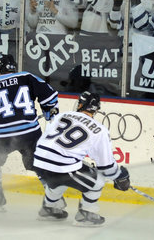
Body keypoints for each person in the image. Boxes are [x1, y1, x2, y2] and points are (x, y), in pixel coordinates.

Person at [0, 54, 59, 210]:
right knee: (39, 164)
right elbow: (50, 96)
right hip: (30, 133)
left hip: (2, 137)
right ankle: (54, 202)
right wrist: (48, 111)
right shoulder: (27, 77)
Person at [33, 91, 131, 226]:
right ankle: (86, 214)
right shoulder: (99, 130)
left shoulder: (62, 115)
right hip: (61, 166)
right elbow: (105, 166)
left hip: (38, 162)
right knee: (98, 180)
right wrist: (119, 176)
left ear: (80, 105)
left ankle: (49, 208)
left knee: (58, 179)